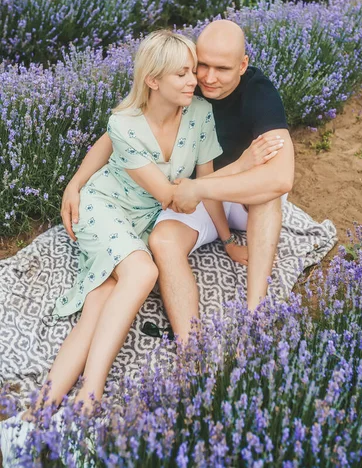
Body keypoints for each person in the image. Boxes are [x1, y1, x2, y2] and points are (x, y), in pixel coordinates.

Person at [0, 28, 259, 460]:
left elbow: (207, 184)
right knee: (142, 271)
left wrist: (229, 238)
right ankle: (89, 400)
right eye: (182, 74)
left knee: (102, 299)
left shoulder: (198, 115)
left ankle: (32, 418)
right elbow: (173, 197)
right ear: (153, 80)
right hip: (103, 209)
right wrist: (246, 164)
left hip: (139, 222)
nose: (194, 80)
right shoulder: (123, 125)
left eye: (191, 71)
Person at [62, 20, 294, 344]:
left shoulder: (259, 91)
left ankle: (255, 312)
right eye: (203, 66)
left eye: (223, 69)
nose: (208, 78)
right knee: (163, 241)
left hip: (224, 192)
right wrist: (75, 184)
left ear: (243, 65)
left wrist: (201, 187)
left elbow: (281, 178)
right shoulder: (187, 79)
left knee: (266, 193)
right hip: (193, 193)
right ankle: (190, 350)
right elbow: (120, 133)